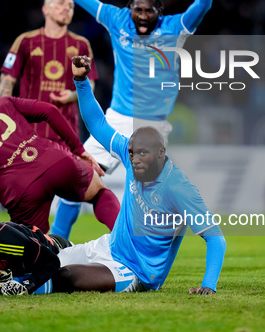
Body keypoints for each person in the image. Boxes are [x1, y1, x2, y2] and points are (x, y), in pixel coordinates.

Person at [24, 0, 215, 238]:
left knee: (146, 199)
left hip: (152, 127)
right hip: (115, 120)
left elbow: (202, 5)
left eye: (148, 12)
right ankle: (58, 243)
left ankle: (145, 251)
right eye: (137, 10)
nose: (141, 16)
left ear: (160, 12)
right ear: (130, 8)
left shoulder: (175, 29)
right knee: (76, 177)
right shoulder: (118, 20)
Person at [54, 55, 225, 295]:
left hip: (135, 272)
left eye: (143, 153)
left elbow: (216, 239)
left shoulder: (178, 187)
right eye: (132, 153)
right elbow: (98, 124)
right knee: (47, 258)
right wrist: (81, 81)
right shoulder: (129, 153)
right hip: (108, 247)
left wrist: (209, 285)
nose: (134, 159)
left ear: (161, 153)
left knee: (67, 277)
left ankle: (24, 286)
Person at [0, 86, 119, 234]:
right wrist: (78, 150)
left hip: (23, 192)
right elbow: (50, 111)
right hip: (55, 160)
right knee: (99, 192)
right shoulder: (2, 102)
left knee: (32, 252)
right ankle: (133, 246)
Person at [0, 0, 98, 239]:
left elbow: (92, 85)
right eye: (61, 4)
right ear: (46, 9)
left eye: (71, 6)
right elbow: (7, 81)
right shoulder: (26, 41)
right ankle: (32, 245)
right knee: (29, 198)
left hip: (66, 132)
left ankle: (58, 239)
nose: (67, 8)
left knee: (80, 189)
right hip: (27, 135)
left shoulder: (80, 44)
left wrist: (72, 94)